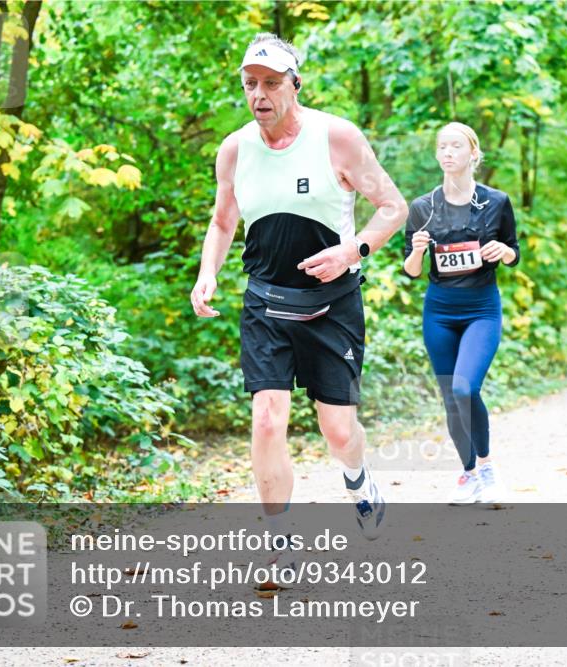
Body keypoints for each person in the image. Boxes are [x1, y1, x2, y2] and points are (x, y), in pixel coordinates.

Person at [189, 33, 408, 571]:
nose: (259, 94)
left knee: (338, 432)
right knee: (266, 420)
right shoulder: (235, 148)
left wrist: (351, 250)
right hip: (265, 305)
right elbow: (222, 223)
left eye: (270, 83)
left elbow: (394, 208)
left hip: (333, 304)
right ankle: (279, 538)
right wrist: (206, 273)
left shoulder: (337, 138)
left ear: (294, 84)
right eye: (250, 84)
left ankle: (357, 477)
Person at [403, 122, 520, 505]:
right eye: (442, 146)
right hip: (439, 310)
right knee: (449, 397)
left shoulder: (496, 202)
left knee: (464, 387)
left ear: (473, 153)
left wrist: (503, 252)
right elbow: (412, 271)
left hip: (481, 308)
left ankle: (488, 470)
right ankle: (468, 475)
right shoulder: (422, 207)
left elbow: (513, 251)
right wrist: (418, 251)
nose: (448, 152)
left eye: (456, 146)